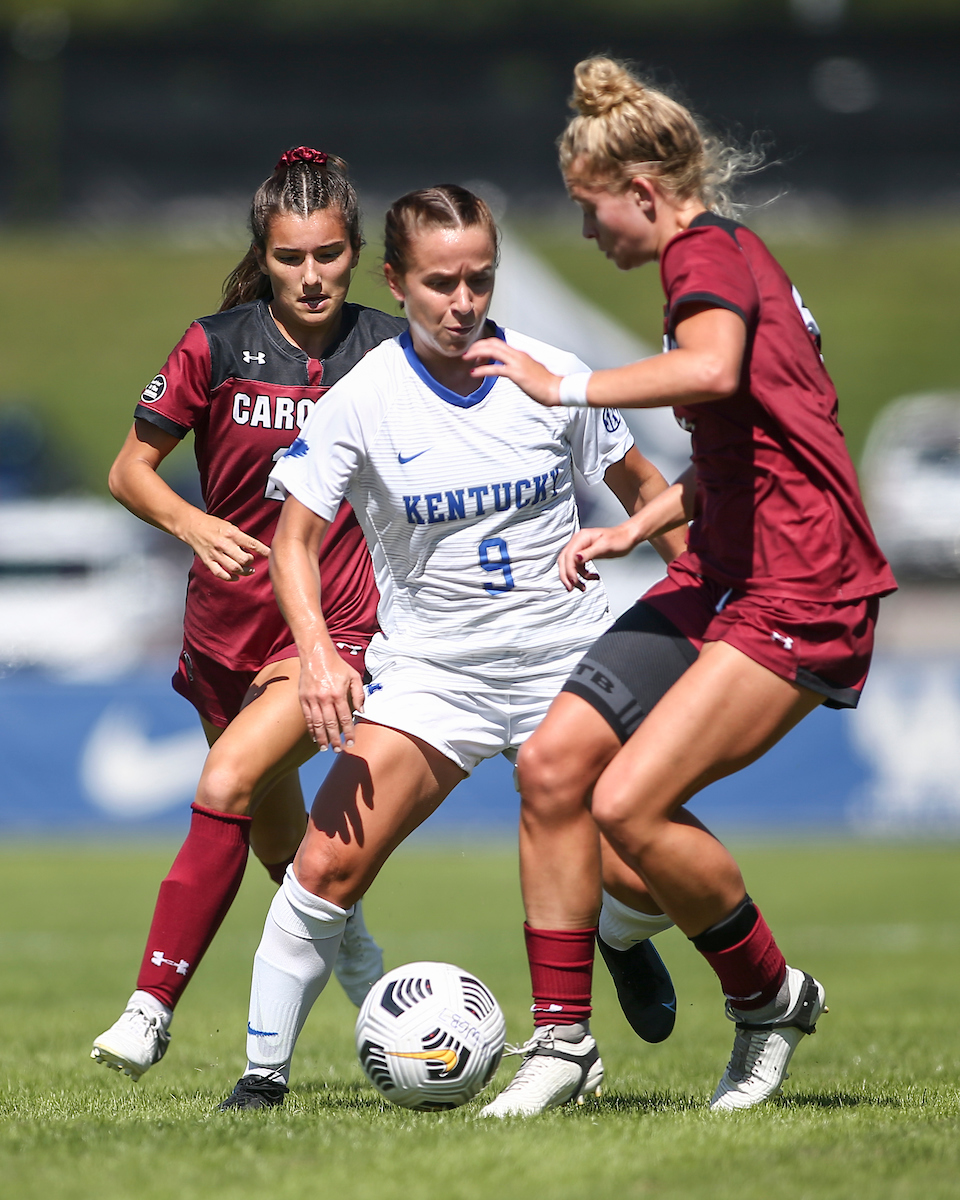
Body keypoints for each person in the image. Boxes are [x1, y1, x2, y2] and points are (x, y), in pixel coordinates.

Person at [465, 57, 897, 1117]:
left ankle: (767, 1000)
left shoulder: (705, 256)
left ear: (645, 195)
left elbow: (709, 371)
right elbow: (738, 443)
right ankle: (563, 1045)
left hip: (804, 584)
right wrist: (645, 523)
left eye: (591, 210)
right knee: (558, 764)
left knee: (629, 804)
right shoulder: (725, 256)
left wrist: (560, 382)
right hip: (724, 569)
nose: (590, 234)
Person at [216, 183, 688, 1110]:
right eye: (439, 282)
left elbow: (648, 490)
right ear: (394, 282)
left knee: (651, 869)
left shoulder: (551, 372)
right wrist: (316, 653)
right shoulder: (362, 402)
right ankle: (260, 1084)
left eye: (478, 278)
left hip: (570, 668)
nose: (462, 301)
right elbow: (294, 542)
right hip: (435, 676)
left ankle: (622, 934)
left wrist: (708, 612)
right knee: (325, 864)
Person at [91, 147, 405, 1082]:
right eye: (290, 258)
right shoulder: (215, 346)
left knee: (227, 776)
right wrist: (194, 525)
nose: (312, 276)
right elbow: (128, 472)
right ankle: (354, 954)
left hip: (333, 627)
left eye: (330, 255)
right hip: (222, 633)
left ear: (356, 252)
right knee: (274, 831)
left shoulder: (392, 349)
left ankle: (152, 1007)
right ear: (262, 257)